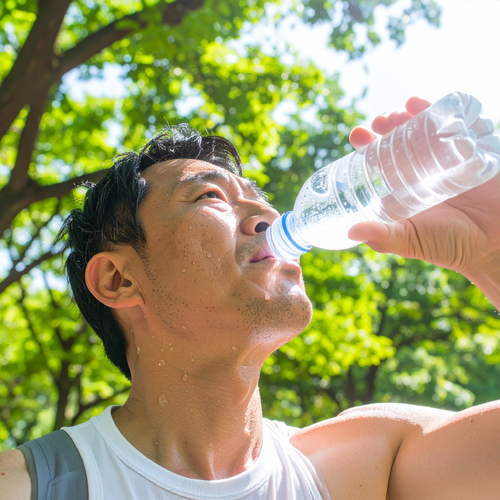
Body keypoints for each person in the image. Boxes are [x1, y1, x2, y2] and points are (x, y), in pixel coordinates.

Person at [1, 97, 499, 500]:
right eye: (209, 196)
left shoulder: (363, 466)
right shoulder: (33, 486)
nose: (267, 214)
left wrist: (493, 256)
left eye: (258, 197)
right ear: (117, 280)